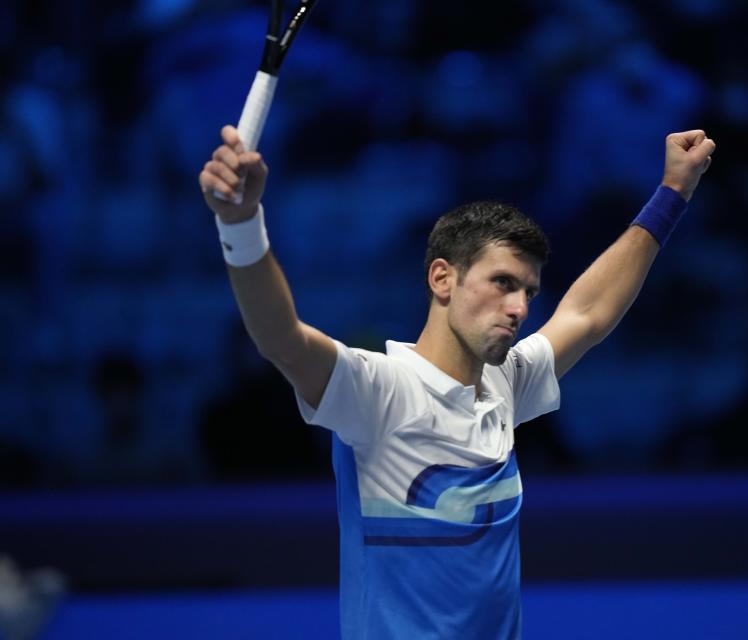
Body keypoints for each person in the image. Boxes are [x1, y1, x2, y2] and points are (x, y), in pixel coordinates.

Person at [198, 125, 714, 639]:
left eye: (528, 292)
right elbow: (280, 338)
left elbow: (588, 311)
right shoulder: (377, 389)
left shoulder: (506, 382)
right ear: (442, 278)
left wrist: (672, 193)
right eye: (503, 284)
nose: (519, 309)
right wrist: (241, 222)